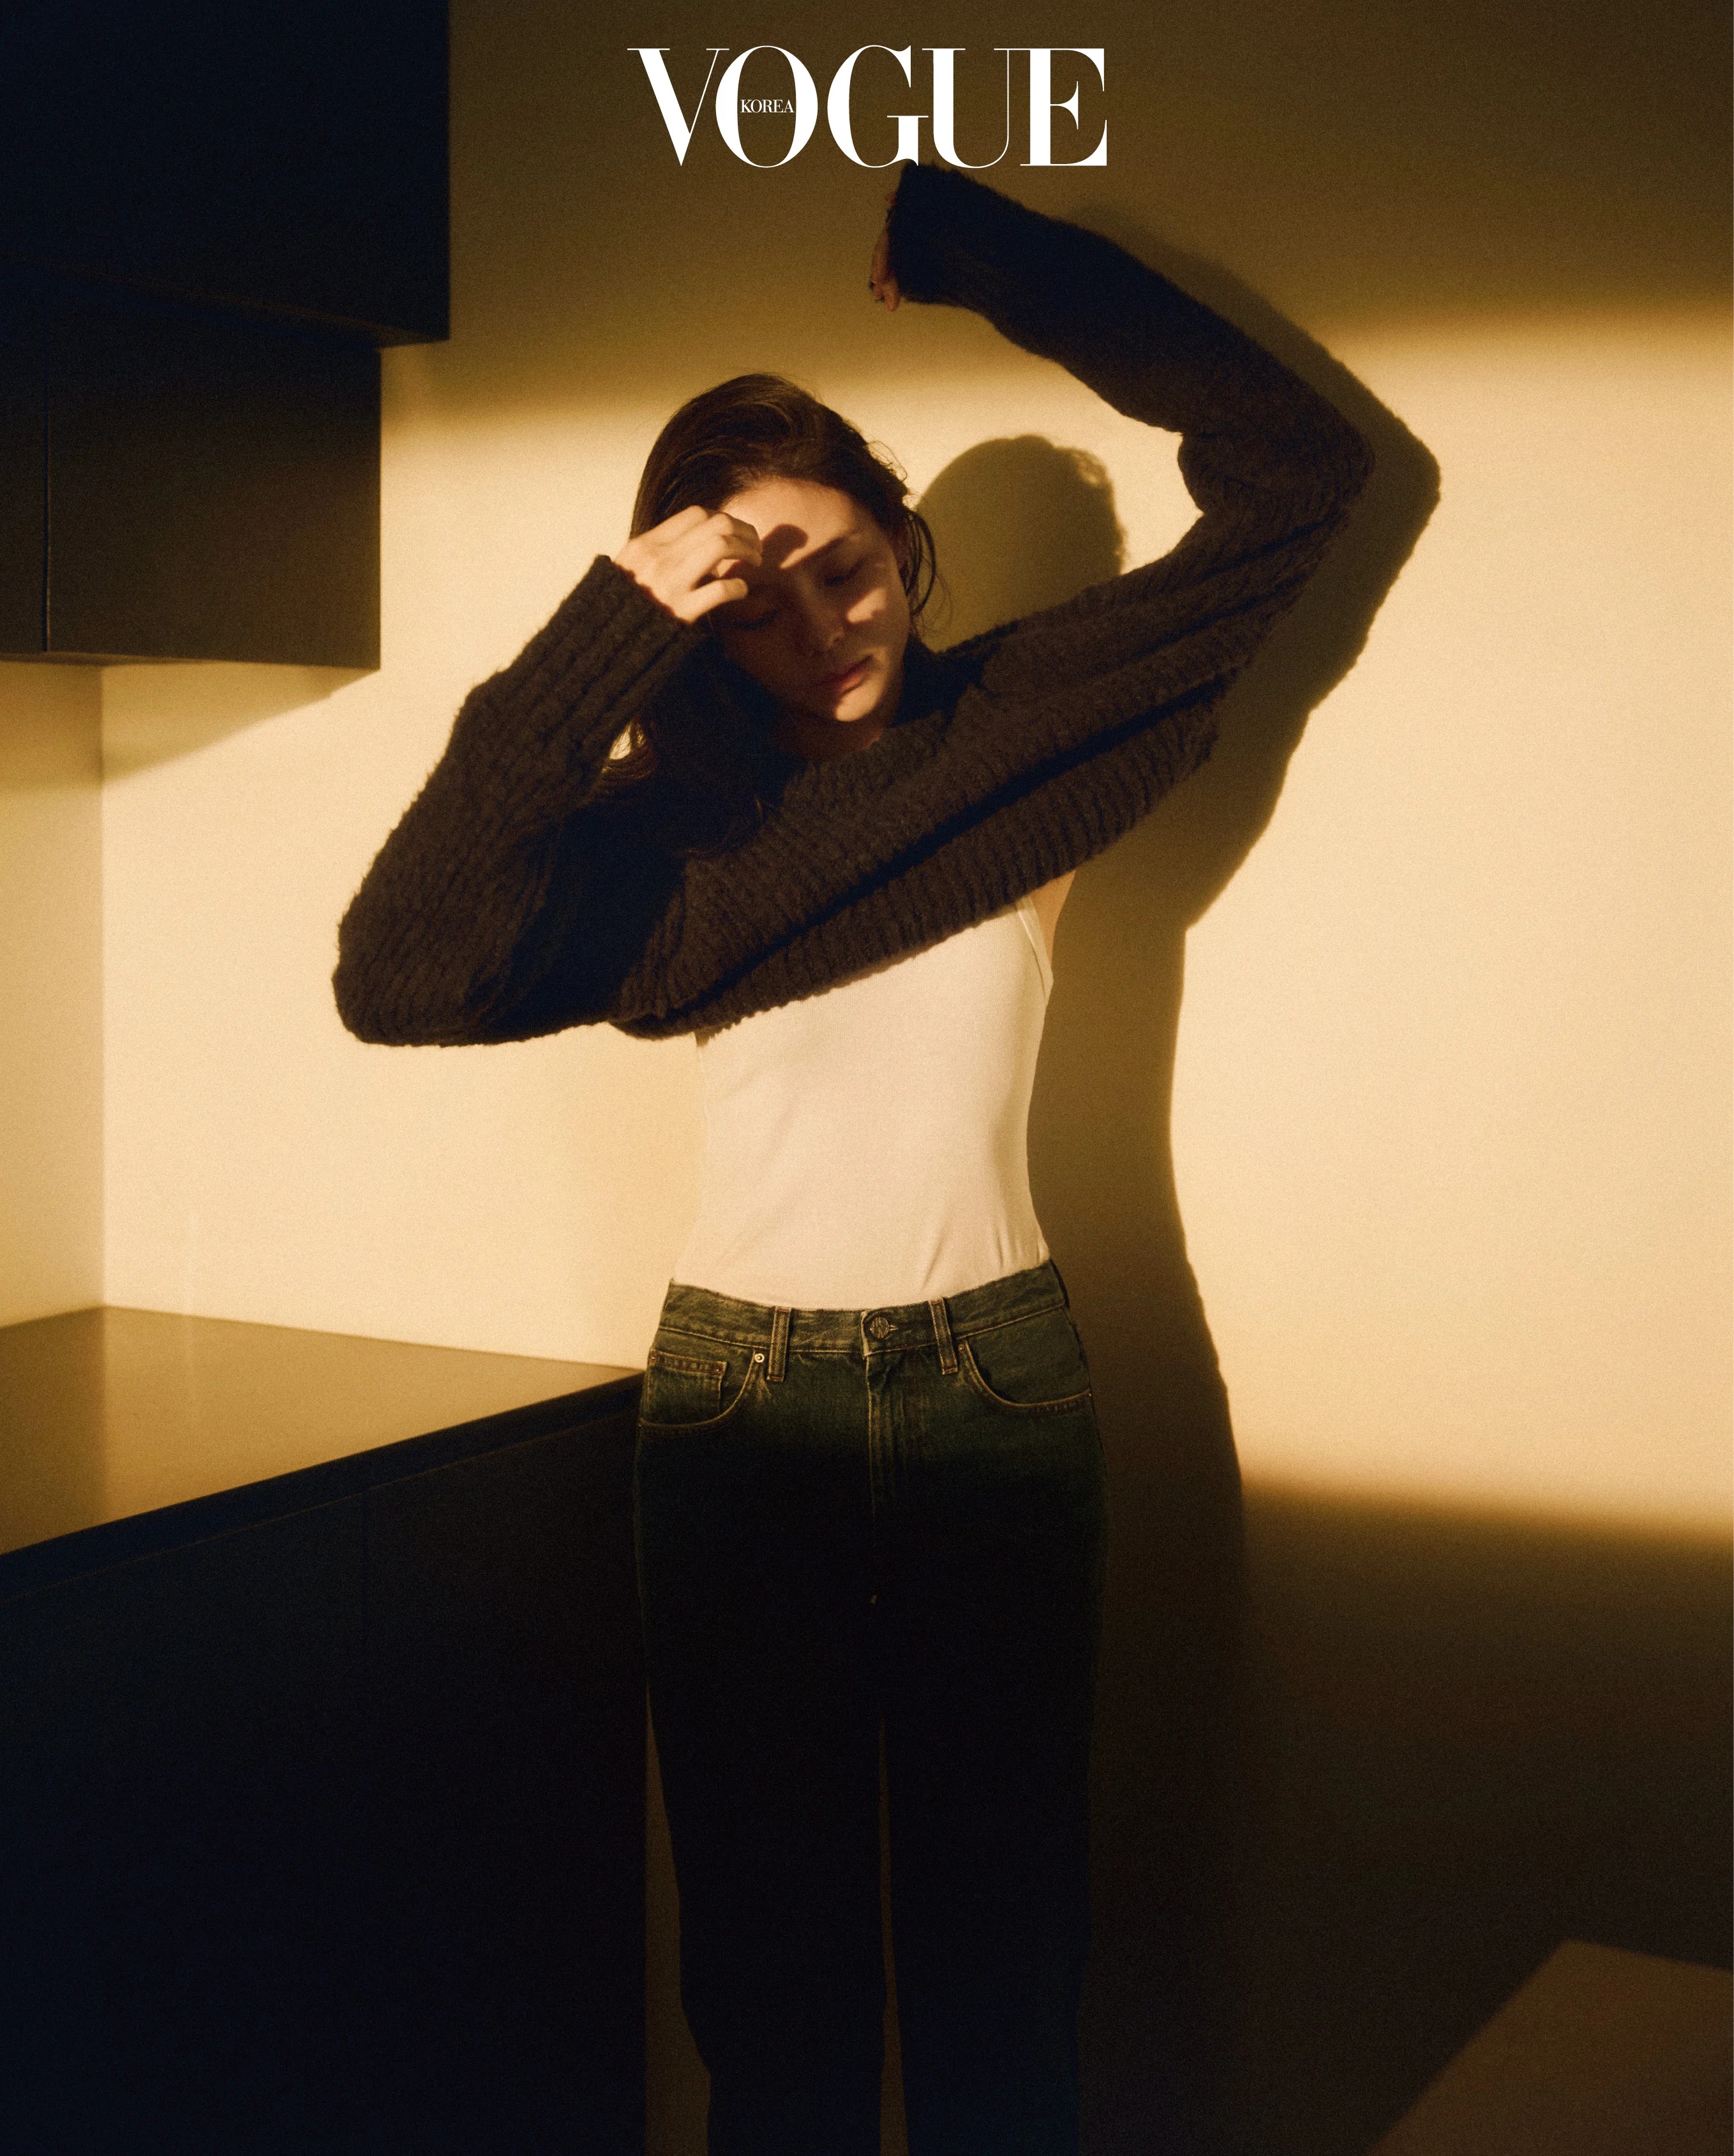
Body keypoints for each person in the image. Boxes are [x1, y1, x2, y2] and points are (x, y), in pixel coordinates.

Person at [334, 160, 1372, 2156]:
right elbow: (399, 972)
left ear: (902, 540)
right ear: (695, 633)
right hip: (741, 1409)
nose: (821, 629)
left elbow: (1298, 470)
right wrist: (606, 632)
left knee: (1003, 1976)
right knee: (778, 1996)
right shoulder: (675, 849)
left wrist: (980, 249)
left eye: (846, 567)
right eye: (755, 602)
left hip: (999, 1387)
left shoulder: (1026, 732)